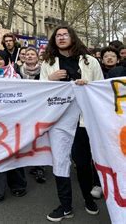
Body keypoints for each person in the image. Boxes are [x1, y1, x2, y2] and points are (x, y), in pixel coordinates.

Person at [40, 26, 103, 222]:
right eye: (57, 35)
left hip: (83, 121)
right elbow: (40, 91)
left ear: (72, 38)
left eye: (64, 35)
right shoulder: (48, 63)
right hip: (59, 120)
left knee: (83, 163)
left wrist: (88, 85)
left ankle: (88, 199)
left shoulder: (90, 61)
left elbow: (99, 88)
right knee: (60, 162)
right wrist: (50, 79)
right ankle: (65, 205)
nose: (61, 38)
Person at [0, 50, 26, 205]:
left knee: (13, 154)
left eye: (0, 59)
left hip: (11, 123)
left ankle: (18, 185)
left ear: (7, 61)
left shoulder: (16, 77)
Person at [18, 47, 46, 184]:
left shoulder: (44, 70)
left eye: (32, 54)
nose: (29, 56)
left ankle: (39, 166)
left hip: (39, 107)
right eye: (27, 54)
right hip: (22, 108)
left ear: (37, 57)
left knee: (38, 136)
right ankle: (23, 161)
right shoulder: (18, 71)